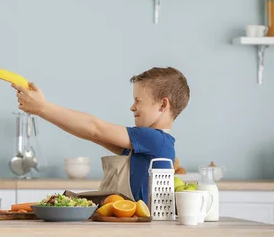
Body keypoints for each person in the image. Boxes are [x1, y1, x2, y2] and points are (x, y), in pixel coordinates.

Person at [11, 67, 190, 205]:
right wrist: (42, 111)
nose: (132, 107)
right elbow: (92, 134)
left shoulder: (154, 139)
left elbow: (96, 128)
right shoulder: (148, 143)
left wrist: (43, 107)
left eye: (138, 100)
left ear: (162, 105)